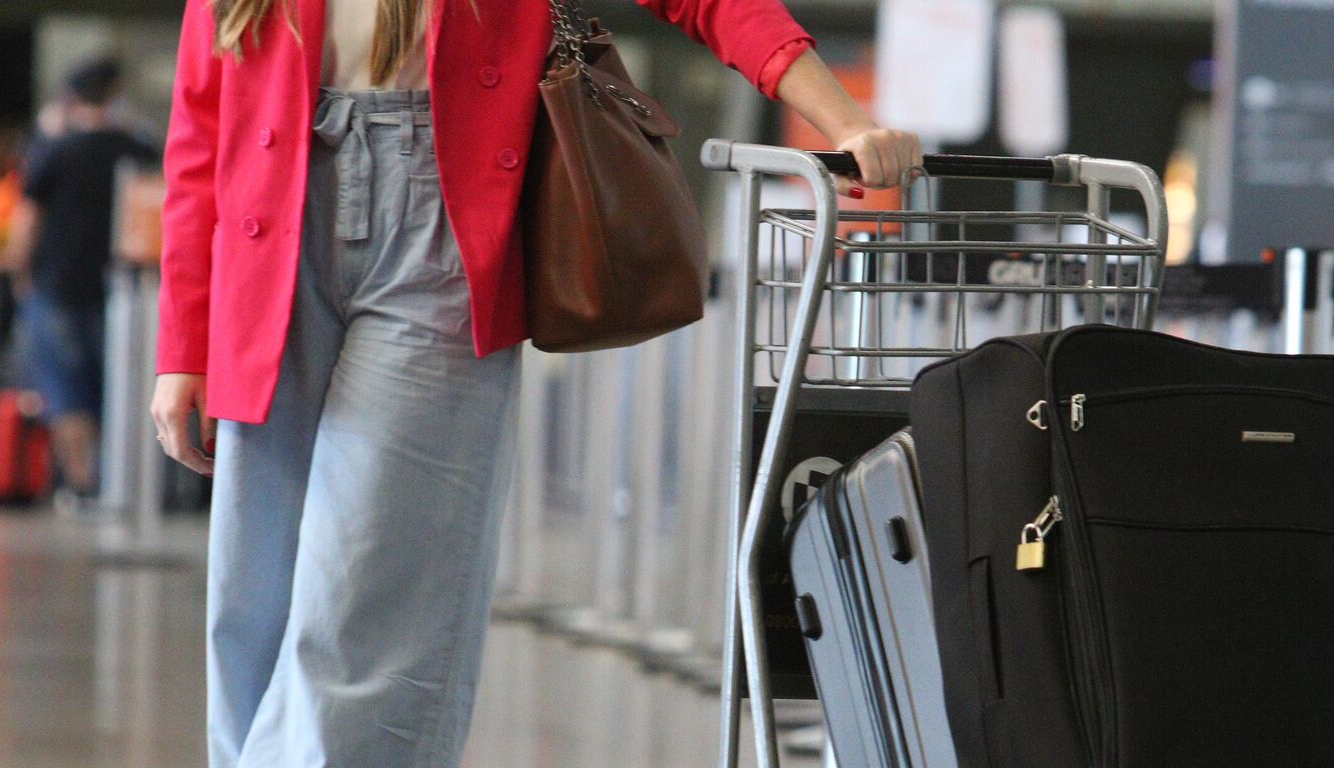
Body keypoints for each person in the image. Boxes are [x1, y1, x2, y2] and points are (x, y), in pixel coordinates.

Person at [148, 0, 921, 765]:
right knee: (253, 601)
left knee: (371, 596)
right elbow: (200, 126)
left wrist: (842, 118)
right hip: (265, 243)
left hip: (439, 233)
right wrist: (183, 343)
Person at [15, 59, 159, 508]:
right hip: (126, 288)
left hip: (57, 284)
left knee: (65, 391)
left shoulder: (53, 151)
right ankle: (121, 482)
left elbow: (27, 219)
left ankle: (82, 487)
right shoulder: (138, 149)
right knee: (120, 389)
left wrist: (22, 275)